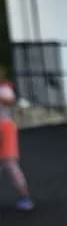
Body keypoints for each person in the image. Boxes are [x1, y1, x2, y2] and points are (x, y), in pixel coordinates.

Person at [0, 80, 34, 211]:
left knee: (10, 164)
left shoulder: (4, 89)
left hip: (6, 128)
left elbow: (10, 101)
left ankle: (25, 198)